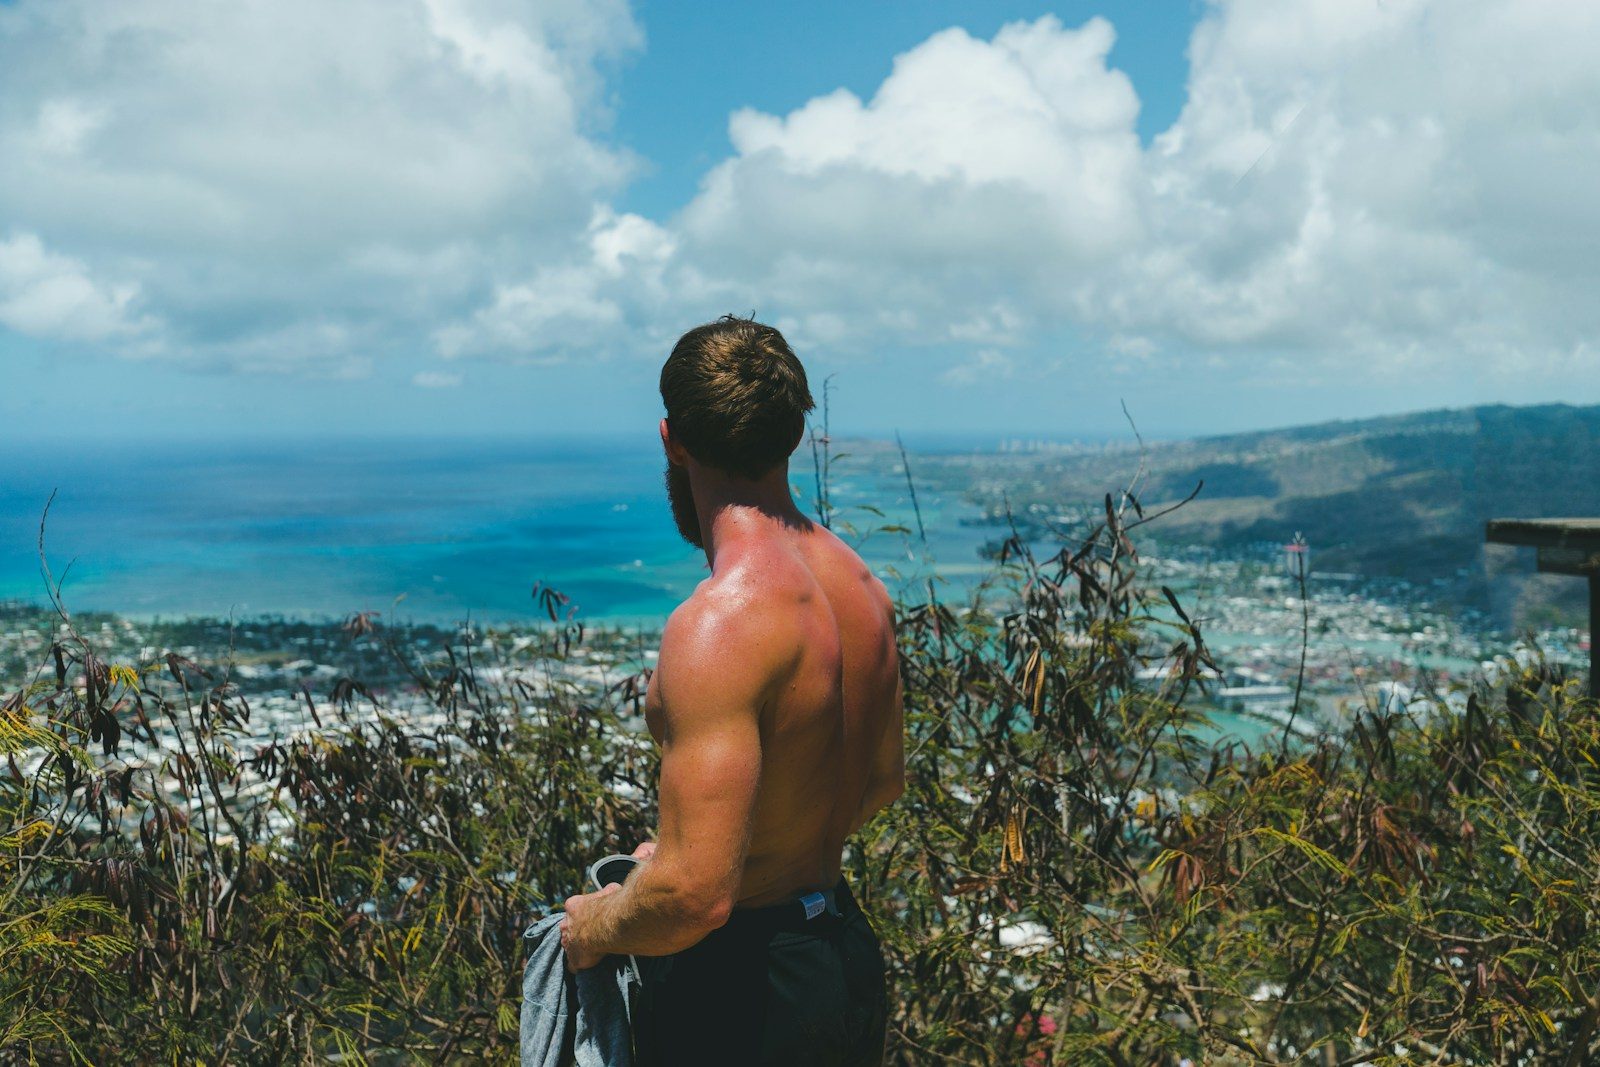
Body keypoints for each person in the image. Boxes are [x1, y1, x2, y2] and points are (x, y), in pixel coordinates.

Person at [558, 315, 905, 1065]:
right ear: (791, 435)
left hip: (742, 992)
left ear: (671, 439)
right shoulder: (863, 590)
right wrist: (765, 849)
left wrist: (591, 925)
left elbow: (693, 896)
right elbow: (881, 781)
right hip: (838, 957)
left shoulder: (720, 623)